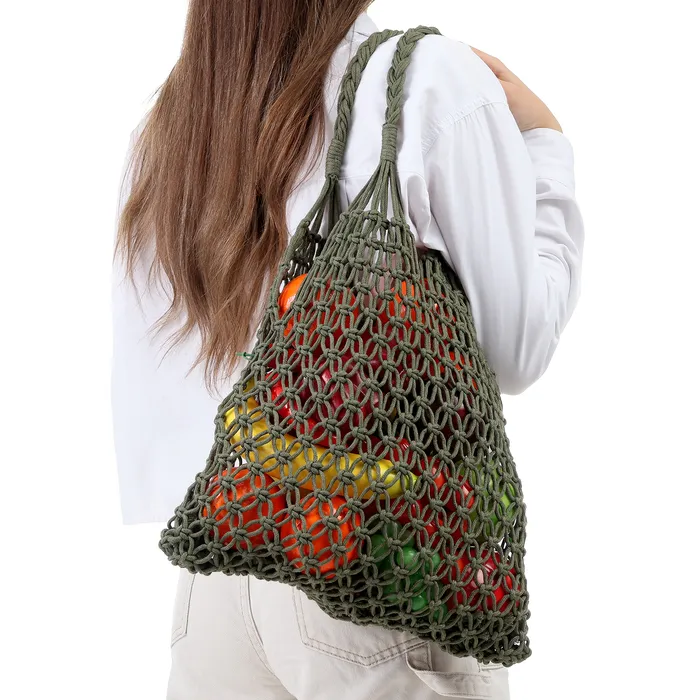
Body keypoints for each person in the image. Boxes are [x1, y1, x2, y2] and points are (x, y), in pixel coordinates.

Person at [113, 2, 584, 699]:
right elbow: (517, 351)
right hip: (372, 566)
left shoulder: (178, 113)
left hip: (220, 568)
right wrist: (545, 146)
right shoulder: (427, 79)